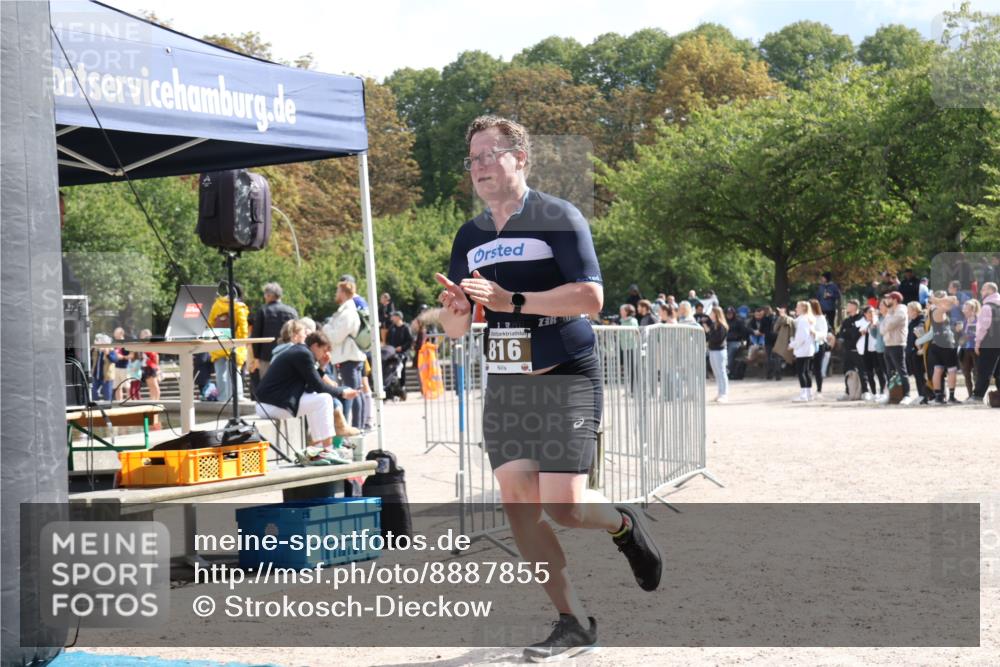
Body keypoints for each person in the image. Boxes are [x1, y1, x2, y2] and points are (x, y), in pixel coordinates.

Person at [435, 115, 661, 662]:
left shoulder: (558, 217)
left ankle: (623, 523)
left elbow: (589, 297)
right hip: (508, 384)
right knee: (518, 505)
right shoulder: (469, 236)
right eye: (473, 158)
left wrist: (511, 299)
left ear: (521, 158)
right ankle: (573, 620)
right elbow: (458, 328)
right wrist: (457, 312)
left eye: (491, 154)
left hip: (566, 375)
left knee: (564, 507)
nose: (481, 166)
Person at [254, 331, 360, 460]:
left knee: (317, 399)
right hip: (271, 406)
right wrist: (342, 393)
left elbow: (311, 387)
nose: (326, 354)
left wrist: (321, 367)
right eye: (324, 350)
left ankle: (318, 447)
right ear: (315, 345)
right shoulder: (303, 354)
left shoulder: (300, 351)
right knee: (325, 399)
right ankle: (328, 449)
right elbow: (319, 386)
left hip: (270, 404)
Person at [324, 281, 368, 428]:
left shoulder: (348, 312)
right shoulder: (346, 310)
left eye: (338, 291)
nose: (336, 294)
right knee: (356, 393)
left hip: (349, 357)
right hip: (349, 356)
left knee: (353, 394)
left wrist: (326, 328)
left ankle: (356, 429)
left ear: (343, 292)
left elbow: (336, 336)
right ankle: (356, 428)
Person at [207, 281, 250, 406]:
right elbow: (243, 327)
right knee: (234, 371)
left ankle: (222, 397)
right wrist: (241, 341)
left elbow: (210, 323)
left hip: (219, 342)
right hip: (234, 343)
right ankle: (238, 396)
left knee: (221, 372)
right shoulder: (239, 306)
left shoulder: (217, 304)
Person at [250, 282, 299, 379]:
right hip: (289, 355)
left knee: (268, 387)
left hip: (267, 357)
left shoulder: (263, 311)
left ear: (269, 295)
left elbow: (256, 336)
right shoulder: (292, 311)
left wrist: (256, 357)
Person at [919, 291, 960, 404]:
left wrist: (936, 300)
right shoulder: (938, 309)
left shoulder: (932, 309)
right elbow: (953, 299)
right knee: (952, 370)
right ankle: (951, 397)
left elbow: (953, 300)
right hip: (945, 343)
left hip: (936, 343)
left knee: (938, 369)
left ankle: (938, 396)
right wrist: (940, 300)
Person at [970, 282, 1000, 403]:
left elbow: (982, 327)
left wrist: (977, 343)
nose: (981, 292)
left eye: (983, 289)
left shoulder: (987, 307)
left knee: (984, 370)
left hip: (989, 343)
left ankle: (977, 396)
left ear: (990, 291)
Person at [879, 291, 911, 403]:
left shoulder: (901, 311)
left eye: (889, 299)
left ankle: (907, 395)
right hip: (888, 344)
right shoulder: (890, 312)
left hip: (898, 344)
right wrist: (886, 322)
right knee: (889, 372)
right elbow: (882, 329)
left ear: (895, 300)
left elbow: (890, 324)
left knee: (901, 370)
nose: (887, 301)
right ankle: (892, 395)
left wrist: (886, 322)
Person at [835, 300, 864, 400]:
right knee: (847, 371)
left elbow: (855, 333)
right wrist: (848, 331)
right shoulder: (846, 320)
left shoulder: (861, 318)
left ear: (855, 307)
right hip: (847, 349)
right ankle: (848, 392)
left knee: (862, 371)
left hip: (858, 350)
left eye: (849, 305)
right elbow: (841, 334)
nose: (847, 307)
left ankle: (865, 391)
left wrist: (848, 332)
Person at [791, 301, 816, 402]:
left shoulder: (803, 321)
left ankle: (803, 395)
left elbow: (801, 337)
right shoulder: (806, 319)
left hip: (803, 349)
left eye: (798, 307)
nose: (796, 309)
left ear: (804, 309)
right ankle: (808, 393)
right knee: (807, 371)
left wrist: (792, 345)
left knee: (801, 371)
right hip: (808, 349)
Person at [704, 306, 729, 403]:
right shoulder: (714, 325)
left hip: (719, 351)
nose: (710, 314)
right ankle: (720, 393)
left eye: (712, 312)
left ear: (716, 314)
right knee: (716, 373)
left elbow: (717, 339)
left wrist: (708, 331)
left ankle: (724, 394)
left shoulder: (722, 326)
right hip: (713, 350)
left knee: (722, 372)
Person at [905, 302, 929, 405]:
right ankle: (921, 395)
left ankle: (925, 396)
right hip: (912, 352)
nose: (907, 313)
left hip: (919, 352)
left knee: (921, 375)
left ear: (915, 310)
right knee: (917, 375)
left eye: (909, 310)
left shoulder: (921, 319)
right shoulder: (912, 321)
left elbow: (920, 330)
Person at [957, 299, 980, 400]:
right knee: (966, 373)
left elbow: (977, 335)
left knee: (976, 373)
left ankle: (977, 394)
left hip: (975, 349)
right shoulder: (964, 321)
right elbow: (963, 337)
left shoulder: (978, 320)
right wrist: (959, 332)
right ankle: (970, 395)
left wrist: (967, 335)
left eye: (966, 308)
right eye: (964, 308)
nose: (964, 310)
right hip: (965, 350)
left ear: (973, 310)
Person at [809, 299, 830, 399]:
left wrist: (815, 333)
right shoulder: (806, 318)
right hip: (808, 345)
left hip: (818, 344)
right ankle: (807, 389)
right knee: (807, 368)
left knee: (817, 368)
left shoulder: (821, 318)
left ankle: (819, 389)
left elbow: (824, 333)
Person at [386, 310, 414, 386]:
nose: (392, 318)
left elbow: (410, 340)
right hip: (392, 353)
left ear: (398, 317)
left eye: (394, 317)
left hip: (402, 353)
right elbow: (388, 340)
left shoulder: (406, 327)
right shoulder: (392, 328)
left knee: (402, 370)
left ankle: (402, 386)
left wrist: (402, 347)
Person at [770, 306, 795, 381]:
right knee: (778, 357)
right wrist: (781, 317)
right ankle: (778, 374)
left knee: (782, 358)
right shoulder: (778, 319)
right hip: (781, 341)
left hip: (789, 341)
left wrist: (783, 316)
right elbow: (775, 328)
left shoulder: (790, 319)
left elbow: (787, 322)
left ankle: (787, 372)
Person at [724, 306, 749, 377]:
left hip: (735, 341)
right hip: (724, 341)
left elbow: (744, 331)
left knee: (730, 353)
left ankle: (727, 371)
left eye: (731, 313)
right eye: (728, 313)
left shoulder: (738, 321)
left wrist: (743, 340)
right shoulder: (724, 322)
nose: (729, 315)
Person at [138, 329, 161, 401]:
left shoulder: (151, 344)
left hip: (152, 366)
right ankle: (152, 400)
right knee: (150, 385)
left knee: (154, 385)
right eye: (141, 335)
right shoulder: (143, 345)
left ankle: (157, 401)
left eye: (143, 335)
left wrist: (157, 367)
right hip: (146, 367)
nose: (141, 336)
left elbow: (156, 356)